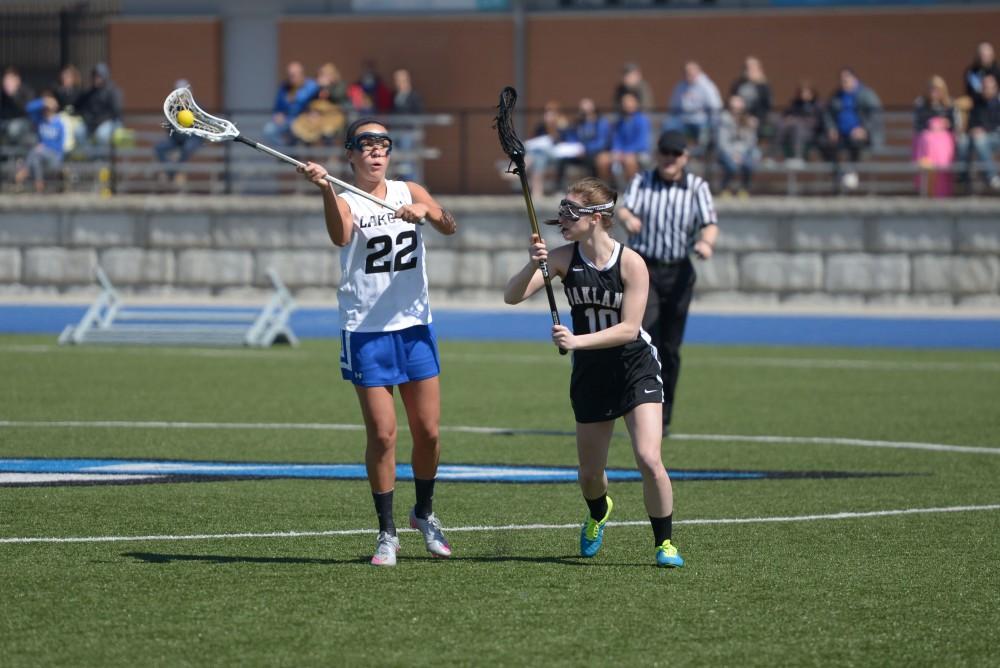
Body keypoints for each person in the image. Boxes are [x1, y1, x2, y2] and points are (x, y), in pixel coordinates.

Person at [297, 118, 458, 567]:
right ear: (350, 154)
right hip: (366, 331)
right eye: (365, 144)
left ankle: (423, 513)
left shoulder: (410, 191)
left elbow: (450, 225)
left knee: (427, 432)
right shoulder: (345, 198)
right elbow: (339, 235)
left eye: (382, 143)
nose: (375, 150)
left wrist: (427, 213)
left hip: (415, 328)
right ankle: (386, 532)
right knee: (384, 434)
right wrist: (324, 189)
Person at [503, 176, 684, 569]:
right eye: (562, 210)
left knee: (649, 458)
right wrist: (534, 263)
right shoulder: (564, 258)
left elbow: (629, 329)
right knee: (589, 474)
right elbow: (512, 295)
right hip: (591, 375)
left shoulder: (632, 263)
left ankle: (664, 544)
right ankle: (599, 510)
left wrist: (576, 342)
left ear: (599, 216)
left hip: (634, 367)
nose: (562, 218)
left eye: (571, 211)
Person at [617, 130, 719, 436]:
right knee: (645, 340)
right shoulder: (642, 181)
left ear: (685, 158)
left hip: (678, 272)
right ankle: (640, 408)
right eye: (665, 153)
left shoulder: (696, 187)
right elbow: (624, 206)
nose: (669, 159)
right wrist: (627, 219)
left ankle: (665, 413)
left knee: (671, 348)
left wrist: (706, 244)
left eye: (675, 154)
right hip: (644, 270)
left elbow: (709, 222)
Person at [821, 67, 882, 192]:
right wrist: (831, 128)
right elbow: (827, 114)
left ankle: (850, 172)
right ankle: (838, 176)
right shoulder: (837, 95)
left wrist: (864, 129)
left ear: (854, 79)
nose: (844, 82)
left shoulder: (866, 94)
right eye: (842, 80)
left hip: (862, 135)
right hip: (841, 134)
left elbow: (875, 115)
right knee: (823, 143)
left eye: (846, 79)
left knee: (853, 142)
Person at [913, 75, 957, 197]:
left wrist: (945, 123)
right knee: (927, 138)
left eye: (937, 90)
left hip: (944, 139)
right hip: (926, 140)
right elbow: (919, 125)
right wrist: (931, 124)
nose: (934, 92)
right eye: (931, 89)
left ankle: (942, 173)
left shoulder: (949, 105)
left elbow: (953, 125)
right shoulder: (921, 105)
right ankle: (928, 182)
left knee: (942, 141)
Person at [595, 91, 650, 188]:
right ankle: (605, 189)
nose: (626, 104)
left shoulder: (642, 120)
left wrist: (625, 152)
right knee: (602, 159)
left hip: (637, 153)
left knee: (629, 160)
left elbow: (641, 143)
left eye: (629, 101)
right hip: (621, 153)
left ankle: (633, 189)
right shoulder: (619, 121)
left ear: (636, 103)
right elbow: (616, 140)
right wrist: (616, 151)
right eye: (624, 102)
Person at [13, 91, 65, 193]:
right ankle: (39, 184)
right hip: (40, 155)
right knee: (36, 159)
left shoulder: (59, 123)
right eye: (45, 108)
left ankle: (25, 170)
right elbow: (28, 108)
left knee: (36, 151)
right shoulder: (40, 120)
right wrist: (43, 101)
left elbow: (60, 145)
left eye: (48, 108)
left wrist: (45, 147)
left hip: (54, 156)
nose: (46, 110)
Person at [154, 80, 204, 185]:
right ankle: (171, 171)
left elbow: (200, 129)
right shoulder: (172, 108)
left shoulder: (197, 107)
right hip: (177, 139)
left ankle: (173, 172)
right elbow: (169, 128)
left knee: (187, 148)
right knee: (159, 148)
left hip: (193, 138)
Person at [665, 61, 723, 151]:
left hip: (701, 121)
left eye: (690, 73)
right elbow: (673, 106)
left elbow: (715, 106)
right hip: (684, 120)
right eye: (686, 73)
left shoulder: (707, 86)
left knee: (706, 133)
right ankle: (670, 149)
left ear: (698, 72)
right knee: (669, 124)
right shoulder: (680, 86)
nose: (688, 76)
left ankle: (701, 153)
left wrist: (713, 123)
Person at [959, 73, 1000, 191]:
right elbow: (971, 122)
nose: (985, 89)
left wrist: (984, 130)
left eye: (988, 86)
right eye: (984, 86)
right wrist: (972, 130)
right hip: (977, 137)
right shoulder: (977, 104)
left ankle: (991, 176)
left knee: (980, 140)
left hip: (995, 137)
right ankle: (963, 177)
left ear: (995, 87)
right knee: (963, 141)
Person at [556, 97, 611, 187]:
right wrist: (563, 130)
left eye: (587, 111)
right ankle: (559, 187)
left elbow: (602, 142)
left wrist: (586, 149)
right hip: (578, 153)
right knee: (561, 159)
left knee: (598, 161)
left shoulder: (601, 122)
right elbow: (571, 138)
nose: (584, 113)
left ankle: (597, 187)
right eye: (582, 111)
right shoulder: (578, 123)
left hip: (594, 153)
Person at [264, 61, 319, 146]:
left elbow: (314, 102)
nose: (291, 78)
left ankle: (291, 153)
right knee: (268, 130)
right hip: (287, 120)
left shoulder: (311, 86)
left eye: (294, 75)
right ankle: (286, 152)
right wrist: (277, 115)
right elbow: (278, 107)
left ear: (302, 74)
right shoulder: (284, 87)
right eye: (290, 75)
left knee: (301, 133)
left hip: (304, 120)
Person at [716, 94, 759, 197]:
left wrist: (741, 154)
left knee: (749, 164)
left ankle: (744, 189)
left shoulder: (748, 121)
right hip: (727, 152)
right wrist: (733, 154)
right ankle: (724, 188)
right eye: (734, 106)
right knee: (731, 166)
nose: (736, 109)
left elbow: (751, 142)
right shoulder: (723, 120)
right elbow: (722, 143)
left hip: (743, 152)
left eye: (739, 106)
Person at [74, 62, 122, 147]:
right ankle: (91, 156)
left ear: (105, 77)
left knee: (101, 135)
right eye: (94, 76)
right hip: (92, 122)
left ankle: (101, 158)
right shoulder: (89, 92)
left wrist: (100, 120)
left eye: (98, 76)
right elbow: (78, 106)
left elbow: (115, 111)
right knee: (79, 132)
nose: (96, 78)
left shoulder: (112, 91)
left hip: (109, 122)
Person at [777, 81, 823, 161]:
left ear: (812, 92)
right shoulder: (795, 103)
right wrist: (788, 119)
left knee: (797, 127)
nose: (804, 94)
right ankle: (775, 154)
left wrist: (797, 120)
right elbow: (786, 114)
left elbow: (817, 121)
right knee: (781, 124)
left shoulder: (817, 105)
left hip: (810, 132)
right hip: (790, 129)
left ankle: (797, 156)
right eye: (802, 92)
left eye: (806, 92)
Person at [729, 56, 772, 137]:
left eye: (752, 68)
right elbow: (730, 99)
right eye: (747, 68)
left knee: (750, 126)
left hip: (756, 117)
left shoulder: (763, 86)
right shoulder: (738, 84)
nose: (749, 70)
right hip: (737, 115)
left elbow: (766, 106)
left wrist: (757, 118)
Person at [0, 66, 35, 147]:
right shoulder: (2, 93)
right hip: (4, 121)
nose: (7, 83)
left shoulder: (26, 91)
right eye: (6, 80)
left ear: (17, 80)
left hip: (23, 122)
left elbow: (25, 109)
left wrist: (13, 95)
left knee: (13, 128)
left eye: (10, 80)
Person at [964, 42, 1000, 107]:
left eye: (988, 55)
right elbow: (970, 92)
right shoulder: (971, 72)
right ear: (978, 55)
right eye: (983, 55)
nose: (985, 58)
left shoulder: (997, 71)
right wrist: (984, 94)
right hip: (978, 106)